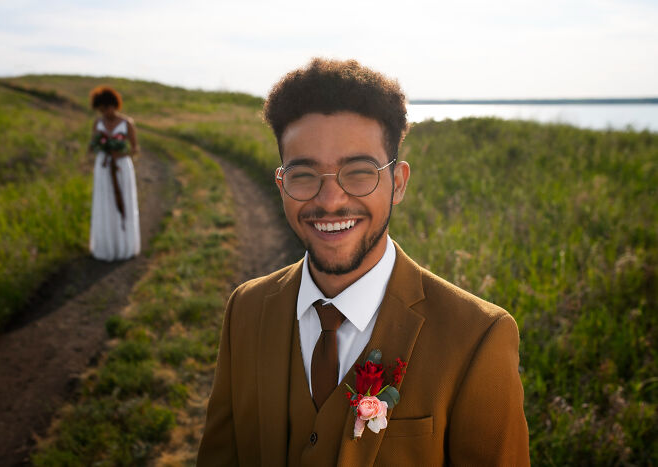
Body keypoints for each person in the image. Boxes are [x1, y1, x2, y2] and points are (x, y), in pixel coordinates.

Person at [198, 58, 529, 466]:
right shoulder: (245, 308)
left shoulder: (478, 337)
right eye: (304, 174)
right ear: (281, 185)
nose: (330, 200)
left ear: (399, 183)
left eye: (358, 171)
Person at [88, 86, 141, 261]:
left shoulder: (127, 123)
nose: (105, 112)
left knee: (123, 201)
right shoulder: (98, 123)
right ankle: (106, 246)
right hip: (103, 168)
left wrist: (121, 153)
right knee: (104, 202)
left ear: (114, 105)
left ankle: (124, 244)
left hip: (121, 167)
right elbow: (91, 145)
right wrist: (98, 147)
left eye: (107, 108)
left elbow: (135, 149)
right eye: (101, 109)